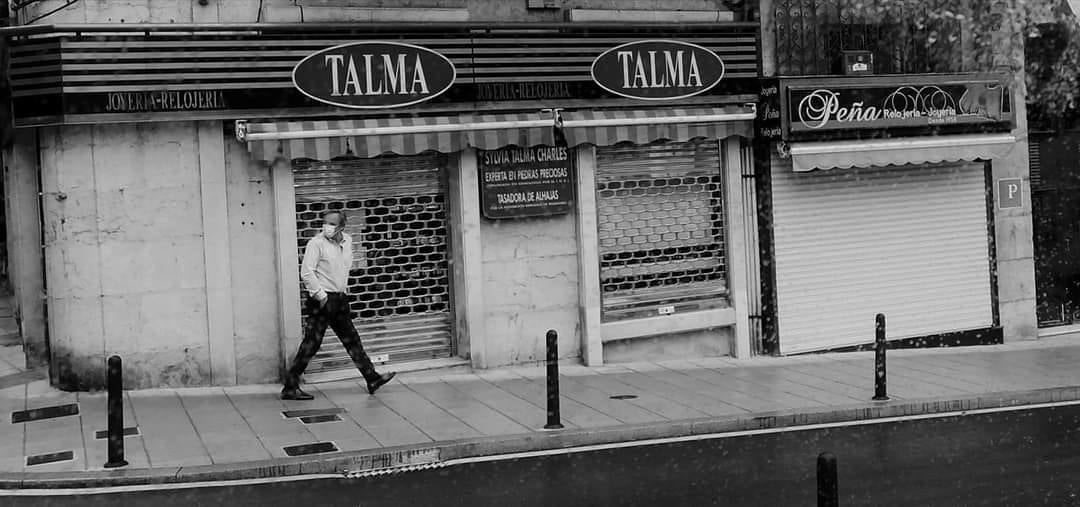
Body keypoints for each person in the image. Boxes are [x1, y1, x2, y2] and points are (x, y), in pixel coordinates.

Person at [282, 208, 396, 400]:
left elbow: (344, 267)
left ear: (342, 226)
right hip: (322, 300)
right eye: (325, 222)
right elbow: (307, 272)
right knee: (312, 343)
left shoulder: (348, 241)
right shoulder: (316, 243)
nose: (327, 226)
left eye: (332, 223)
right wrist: (320, 295)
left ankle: (372, 377)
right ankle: (290, 387)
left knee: (352, 340)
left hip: (340, 298)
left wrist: (343, 291)